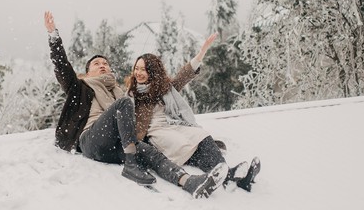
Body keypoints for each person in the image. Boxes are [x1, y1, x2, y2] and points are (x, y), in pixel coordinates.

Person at [44, 11, 227, 198]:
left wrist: (197, 59)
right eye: (96, 63)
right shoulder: (80, 86)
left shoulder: (119, 92)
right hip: (90, 140)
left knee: (152, 154)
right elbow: (62, 67)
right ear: (88, 72)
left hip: (115, 144)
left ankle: (189, 182)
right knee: (124, 105)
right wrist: (53, 36)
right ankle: (131, 164)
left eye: (105, 63)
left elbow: (168, 86)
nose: (102, 65)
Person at [126, 34, 261, 192]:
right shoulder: (131, 95)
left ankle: (228, 174)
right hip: (156, 132)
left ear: (153, 72)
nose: (138, 72)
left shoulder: (164, 88)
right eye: (136, 68)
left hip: (173, 124)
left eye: (143, 69)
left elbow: (183, 76)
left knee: (200, 135)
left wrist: (201, 53)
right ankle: (225, 176)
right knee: (182, 144)